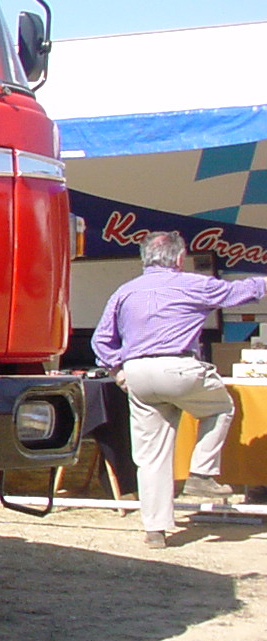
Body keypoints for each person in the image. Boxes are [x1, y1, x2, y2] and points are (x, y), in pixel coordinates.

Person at [92, 230, 266, 549]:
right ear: (178, 258)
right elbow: (236, 292)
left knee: (151, 456)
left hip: (138, 374)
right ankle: (201, 471)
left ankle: (154, 530)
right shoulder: (191, 283)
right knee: (221, 407)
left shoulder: (124, 292)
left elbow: (101, 341)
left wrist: (119, 371)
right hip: (179, 368)